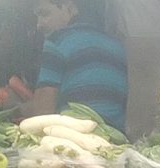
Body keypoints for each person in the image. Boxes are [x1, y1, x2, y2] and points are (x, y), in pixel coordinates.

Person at [8, 0, 127, 131]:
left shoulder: (57, 41)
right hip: (118, 137)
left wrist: (14, 107)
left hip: (78, 136)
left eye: (44, 14)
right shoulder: (118, 47)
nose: (39, 25)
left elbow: (42, 113)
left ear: (71, 8)